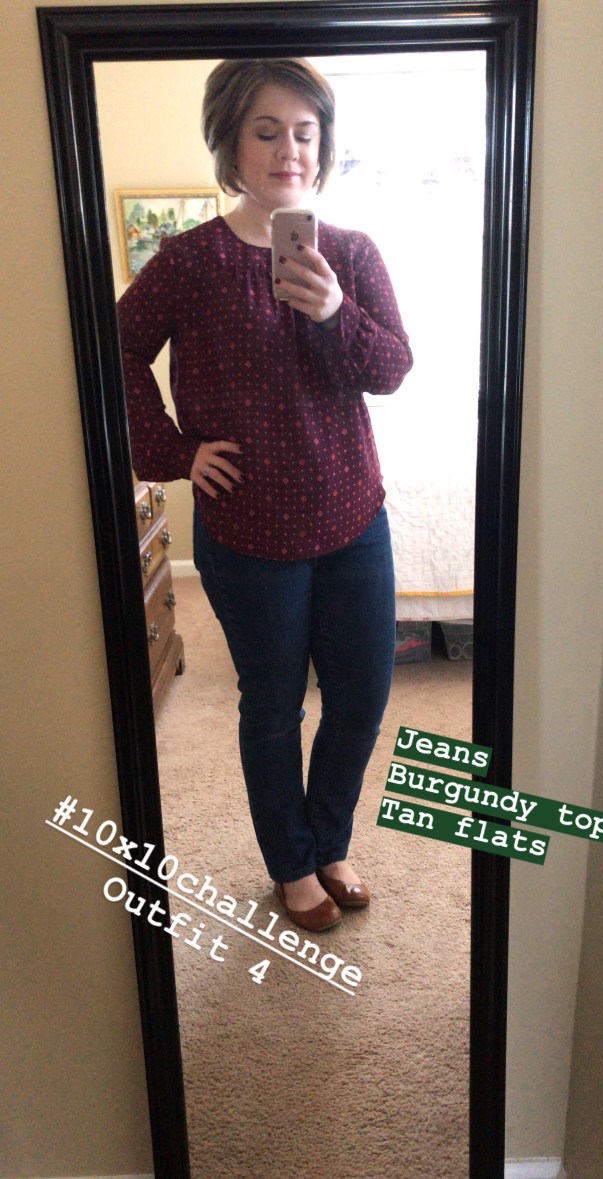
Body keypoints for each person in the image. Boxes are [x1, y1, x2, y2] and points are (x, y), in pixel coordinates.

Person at [117, 58, 413, 933]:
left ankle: (329, 841)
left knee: (360, 696)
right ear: (230, 143)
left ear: (323, 145)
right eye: (266, 130)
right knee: (274, 706)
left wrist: (333, 311)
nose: (290, 149)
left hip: (352, 514)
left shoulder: (350, 253)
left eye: (305, 132)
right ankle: (291, 863)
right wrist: (173, 452)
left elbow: (391, 367)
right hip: (248, 530)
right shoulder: (189, 261)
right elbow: (114, 349)